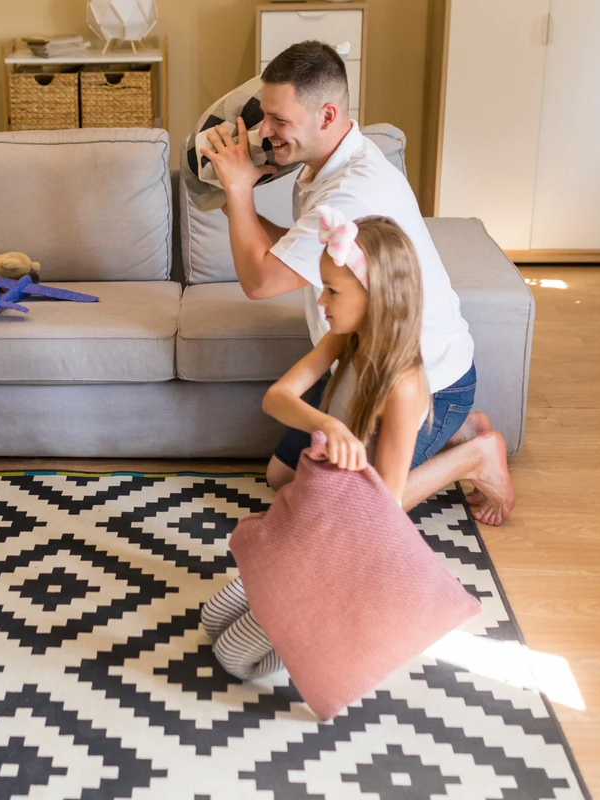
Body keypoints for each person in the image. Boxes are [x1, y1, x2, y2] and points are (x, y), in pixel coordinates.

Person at [199, 40, 513, 526]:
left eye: (280, 120)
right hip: (357, 357)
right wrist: (228, 198)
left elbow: (261, 281)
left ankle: (474, 454)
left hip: (418, 375)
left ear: (326, 115)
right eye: (267, 116)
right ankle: (463, 430)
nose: (266, 132)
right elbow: (292, 253)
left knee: (351, 509)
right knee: (283, 479)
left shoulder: (353, 189)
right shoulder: (325, 168)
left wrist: (240, 191)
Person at [204, 210, 511, 680]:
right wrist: (330, 425)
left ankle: (325, 626)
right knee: (212, 619)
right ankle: (298, 615)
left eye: (332, 290)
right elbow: (277, 398)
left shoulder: (405, 385)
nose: (321, 299)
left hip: (338, 537)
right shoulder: (342, 340)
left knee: (237, 660)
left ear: (376, 296)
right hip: (310, 512)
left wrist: (318, 571)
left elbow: (388, 505)